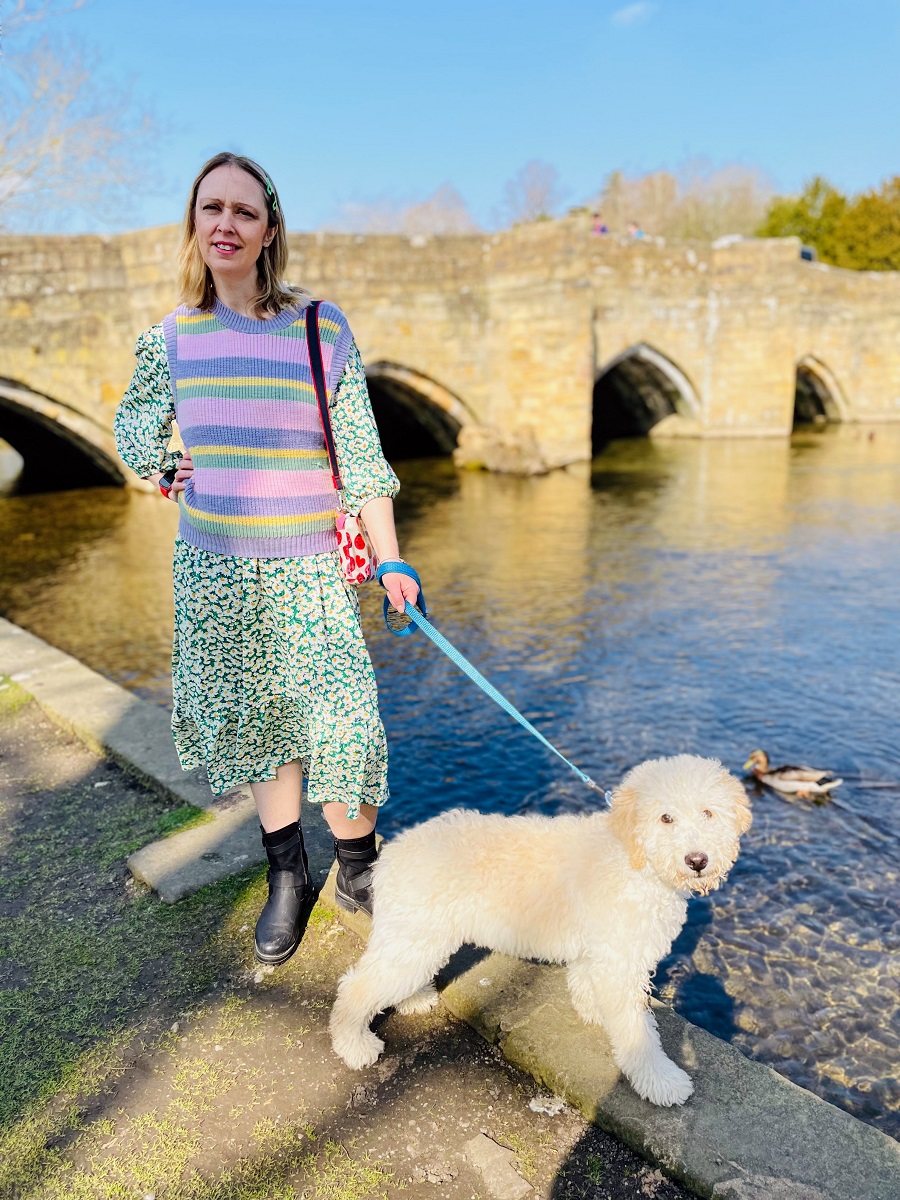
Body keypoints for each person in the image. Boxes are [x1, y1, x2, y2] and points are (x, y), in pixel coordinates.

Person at [114, 152, 419, 966]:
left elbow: (361, 456)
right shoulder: (172, 339)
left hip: (312, 569)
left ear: (269, 229)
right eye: (210, 208)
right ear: (194, 224)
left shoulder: (320, 326)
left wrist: (391, 561)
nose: (225, 223)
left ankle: (360, 869)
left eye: (244, 212)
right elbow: (135, 430)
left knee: (346, 726)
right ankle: (288, 871)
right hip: (215, 573)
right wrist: (161, 468)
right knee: (260, 730)